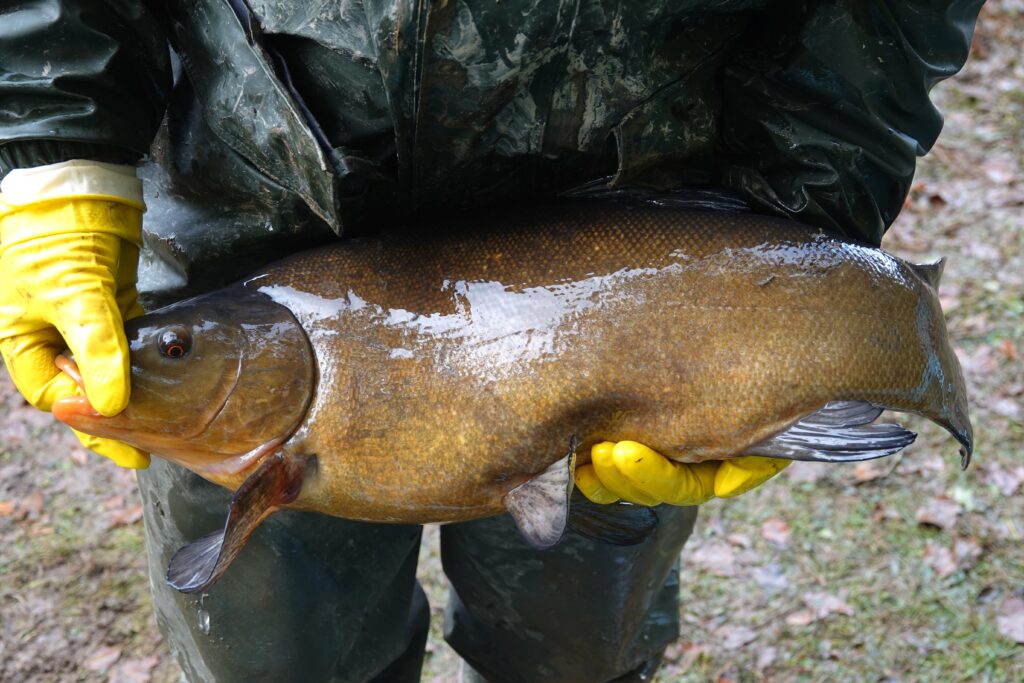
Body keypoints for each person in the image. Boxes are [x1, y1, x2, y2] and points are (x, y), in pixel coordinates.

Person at [0, 2, 982, 681]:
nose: (139, 361)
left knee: (573, 646)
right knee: (276, 651)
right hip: (243, 208)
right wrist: (52, 146)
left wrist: (799, 222)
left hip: (633, 224)